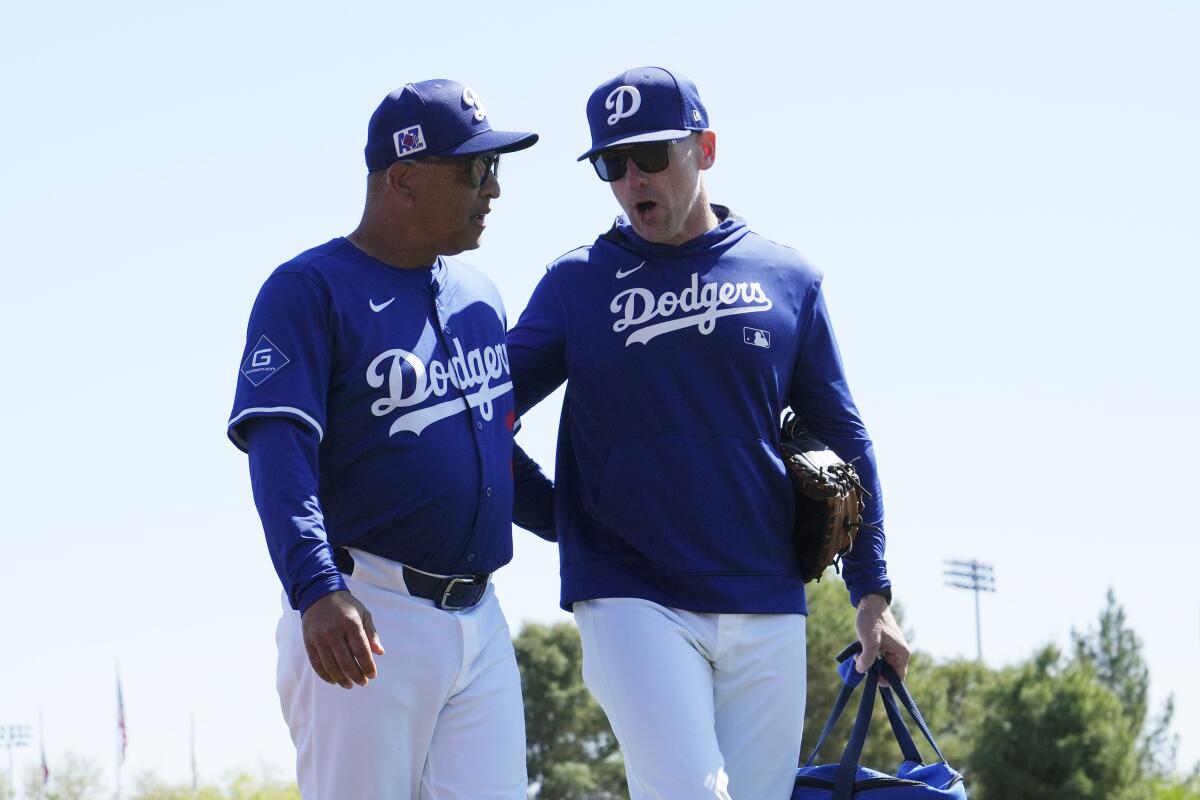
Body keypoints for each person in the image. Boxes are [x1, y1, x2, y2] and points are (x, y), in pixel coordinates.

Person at [507, 66, 910, 800]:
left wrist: (872, 595)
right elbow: (480, 414)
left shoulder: (786, 277)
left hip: (766, 592)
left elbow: (845, 435)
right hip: (633, 592)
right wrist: (557, 516)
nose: (631, 179)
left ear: (706, 149)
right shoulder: (577, 284)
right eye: (611, 164)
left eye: (651, 156)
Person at [226, 79, 541, 800]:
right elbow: (280, 449)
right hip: (366, 608)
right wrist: (316, 588)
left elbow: (494, 455)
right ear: (402, 178)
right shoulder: (308, 289)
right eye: (475, 170)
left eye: (496, 169)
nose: (492, 188)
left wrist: (592, 521)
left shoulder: (480, 297)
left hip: (481, 618)